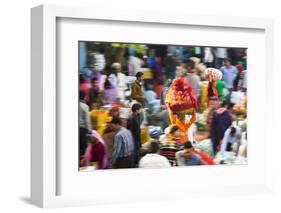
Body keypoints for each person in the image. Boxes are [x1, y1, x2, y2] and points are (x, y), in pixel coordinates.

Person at [79, 91, 92, 157]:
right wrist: (90, 130)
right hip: (82, 129)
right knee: (83, 146)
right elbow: (87, 120)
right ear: (84, 97)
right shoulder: (85, 106)